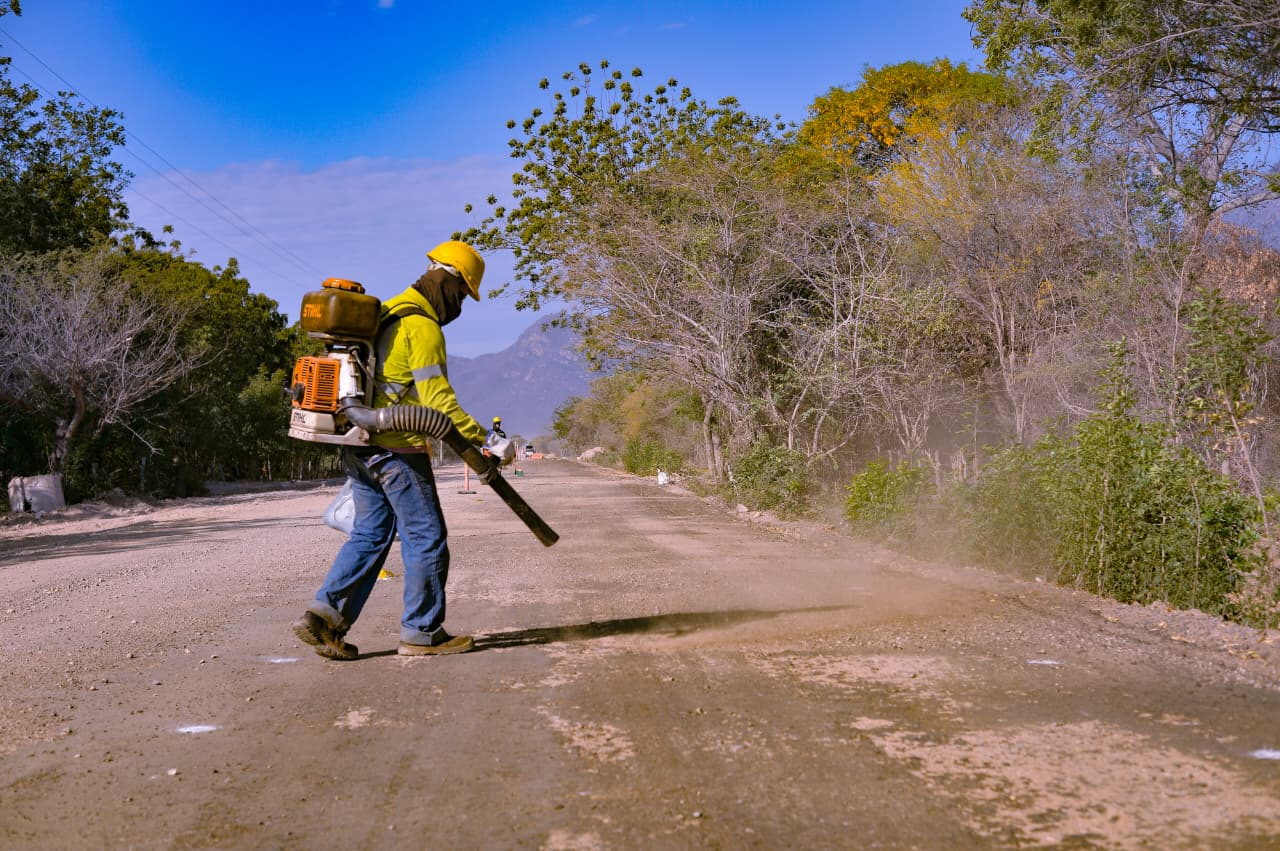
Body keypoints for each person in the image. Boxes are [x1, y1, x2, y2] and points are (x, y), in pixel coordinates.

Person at [293, 240, 489, 660]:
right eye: (462, 295)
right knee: (426, 537)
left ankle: (324, 618)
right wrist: (485, 439)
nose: (459, 305)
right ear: (450, 281)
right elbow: (439, 403)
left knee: (371, 533)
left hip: (360, 448)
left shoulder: (390, 310)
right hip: (397, 451)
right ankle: (422, 632)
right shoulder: (422, 326)